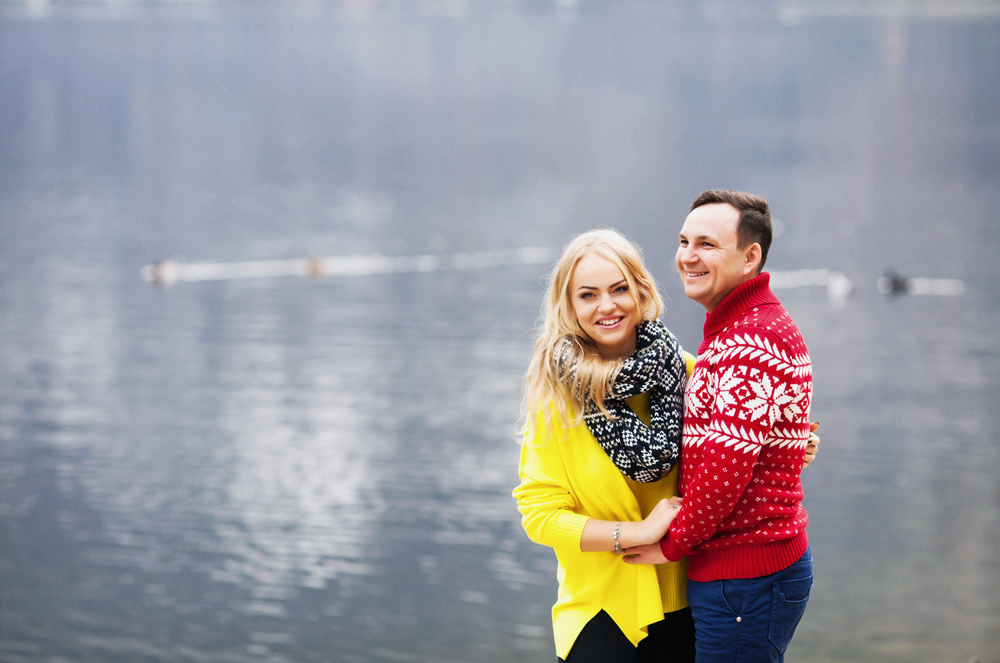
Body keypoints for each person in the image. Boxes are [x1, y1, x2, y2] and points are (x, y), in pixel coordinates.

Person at [624, 190, 815, 663]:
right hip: (750, 571)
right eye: (684, 241)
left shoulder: (748, 340)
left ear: (751, 257)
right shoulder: (743, 328)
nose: (688, 256)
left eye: (707, 244)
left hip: (746, 577)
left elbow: (724, 472)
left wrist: (670, 546)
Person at [513, 228, 697, 663]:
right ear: (570, 306)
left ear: (641, 290)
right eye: (588, 295)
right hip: (601, 611)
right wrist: (635, 534)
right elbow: (540, 516)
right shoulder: (556, 395)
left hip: (693, 602)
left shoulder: (686, 371)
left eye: (619, 289)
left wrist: (781, 442)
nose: (608, 306)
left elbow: (725, 458)